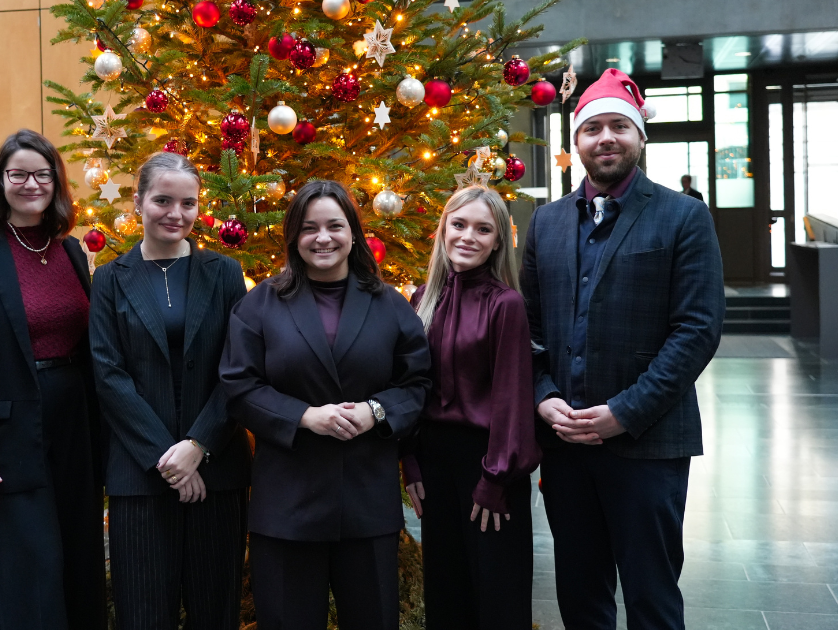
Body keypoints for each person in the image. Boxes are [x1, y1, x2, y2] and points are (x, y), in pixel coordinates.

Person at [520, 68, 725, 630]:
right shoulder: (545, 223)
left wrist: (624, 413)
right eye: (592, 128)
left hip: (647, 444)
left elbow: (697, 331)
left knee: (652, 597)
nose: (605, 137)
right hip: (564, 445)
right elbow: (528, 328)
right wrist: (543, 396)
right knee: (580, 596)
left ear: (640, 136)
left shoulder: (684, 216)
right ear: (577, 141)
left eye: (618, 126)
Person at [219, 180, 430, 630]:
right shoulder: (260, 304)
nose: (323, 238)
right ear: (294, 236)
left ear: (353, 232)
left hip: (366, 501)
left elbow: (417, 383)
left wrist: (375, 411)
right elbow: (239, 386)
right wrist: (303, 416)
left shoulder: (389, 305)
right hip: (287, 505)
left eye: (335, 225)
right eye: (309, 228)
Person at [0, 128, 107, 630]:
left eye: (42, 174)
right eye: (19, 174)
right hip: (7, 433)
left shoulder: (69, 250)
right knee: (25, 567)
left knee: (78, 559)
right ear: (0, 181)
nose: (31, 184)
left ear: (56, 181)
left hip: (75, 426)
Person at [89, 152, 251, 630]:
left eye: (188, 203)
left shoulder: (225, 273)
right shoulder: (109, 280)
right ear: (139, 202)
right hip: (140, 476)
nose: (176, 214)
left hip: (217, 471)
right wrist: (170, 461)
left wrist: (198, 446)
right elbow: (108, 374)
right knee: (143, 615)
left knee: (215, 613)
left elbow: (238, 370)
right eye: (163, 200)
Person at [401, 186, 540, 630]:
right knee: (447, 592)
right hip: (434, 464)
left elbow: (513, 398)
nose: (467, 237)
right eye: (458, 225)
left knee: (497, 597)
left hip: (489, 463)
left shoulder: (506, 304)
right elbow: (411, 386)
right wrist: (410, 460)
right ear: (443, 230)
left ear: (498, 241)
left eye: (483, 229)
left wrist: (496, 478)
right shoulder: (423, 298)